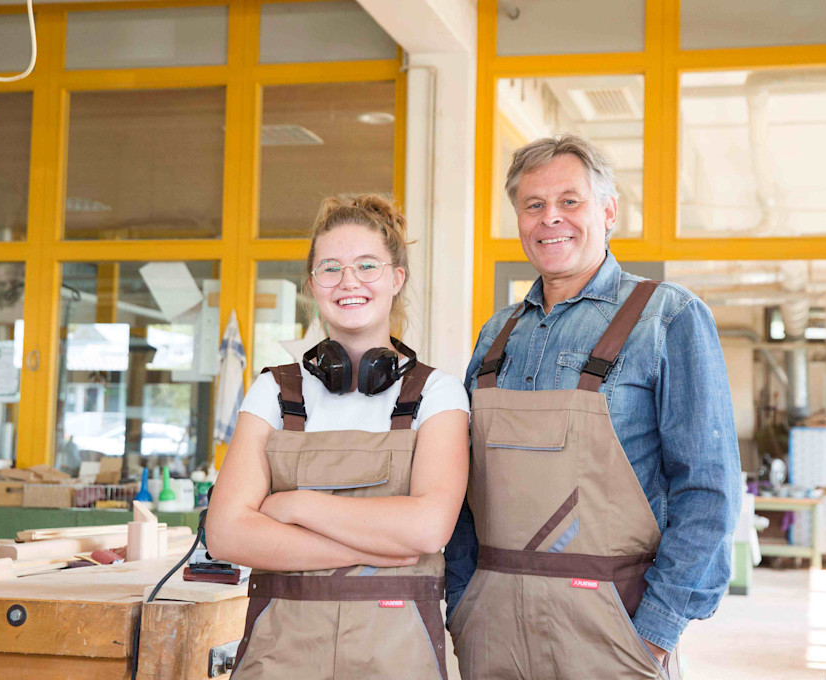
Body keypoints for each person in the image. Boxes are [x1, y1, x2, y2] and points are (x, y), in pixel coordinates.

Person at [444, 135, 741, 680]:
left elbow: (709, 490)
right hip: (491, 628)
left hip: (614, 630)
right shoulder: (496, 334)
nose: (549, 218)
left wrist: (653, 632)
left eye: (569, 201)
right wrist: (462, 602)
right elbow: (464, 488)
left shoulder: (668, 318)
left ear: (608, 212)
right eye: (533, 205)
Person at [207, 195, 469, 680]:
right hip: (278, 656)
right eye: (331, 268)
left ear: (397, 278)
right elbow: (225, 533)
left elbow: (428, 529)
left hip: (397, 657)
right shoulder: (274, 390)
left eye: (367, 265)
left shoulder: (436, 392)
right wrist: (377, 548)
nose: (349, 282)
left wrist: (296, 506)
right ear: (312, 285)